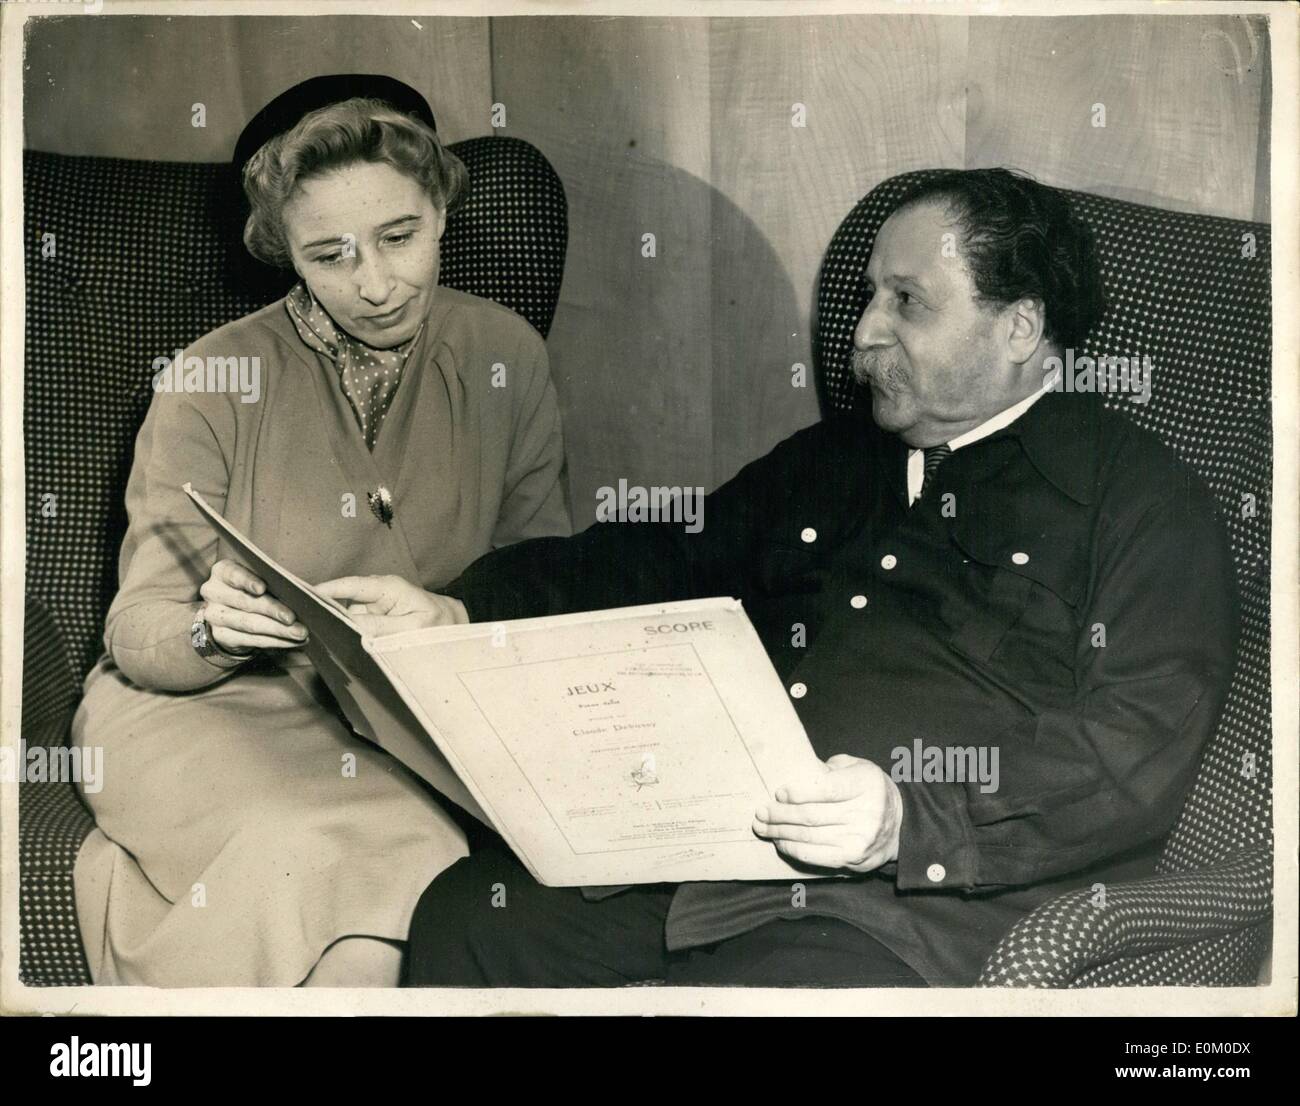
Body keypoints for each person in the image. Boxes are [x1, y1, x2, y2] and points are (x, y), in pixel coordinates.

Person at [322, 168, 1239, 988]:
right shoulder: (837, 460)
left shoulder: (1140, 502)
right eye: (871, 295)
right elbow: (658, 552)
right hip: (710, 859)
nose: (864, 332)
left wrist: (908, 820)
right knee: (471, 922)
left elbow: (1137, 742)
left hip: (914, 912)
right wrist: (463, 606)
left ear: (1019, 328)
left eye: (907, 302)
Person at [71, 75, 571, 987]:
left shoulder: (507, 357)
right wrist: (207, 631)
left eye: (398, 237)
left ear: (442, 212)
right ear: (285, 255)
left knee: (416, 872)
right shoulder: (207, 378)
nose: (375, 285)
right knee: (354, 850)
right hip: (198, 712)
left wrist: (454, 619)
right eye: (330, 254)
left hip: (405, 721)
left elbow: (549, 585)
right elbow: (139, 633)